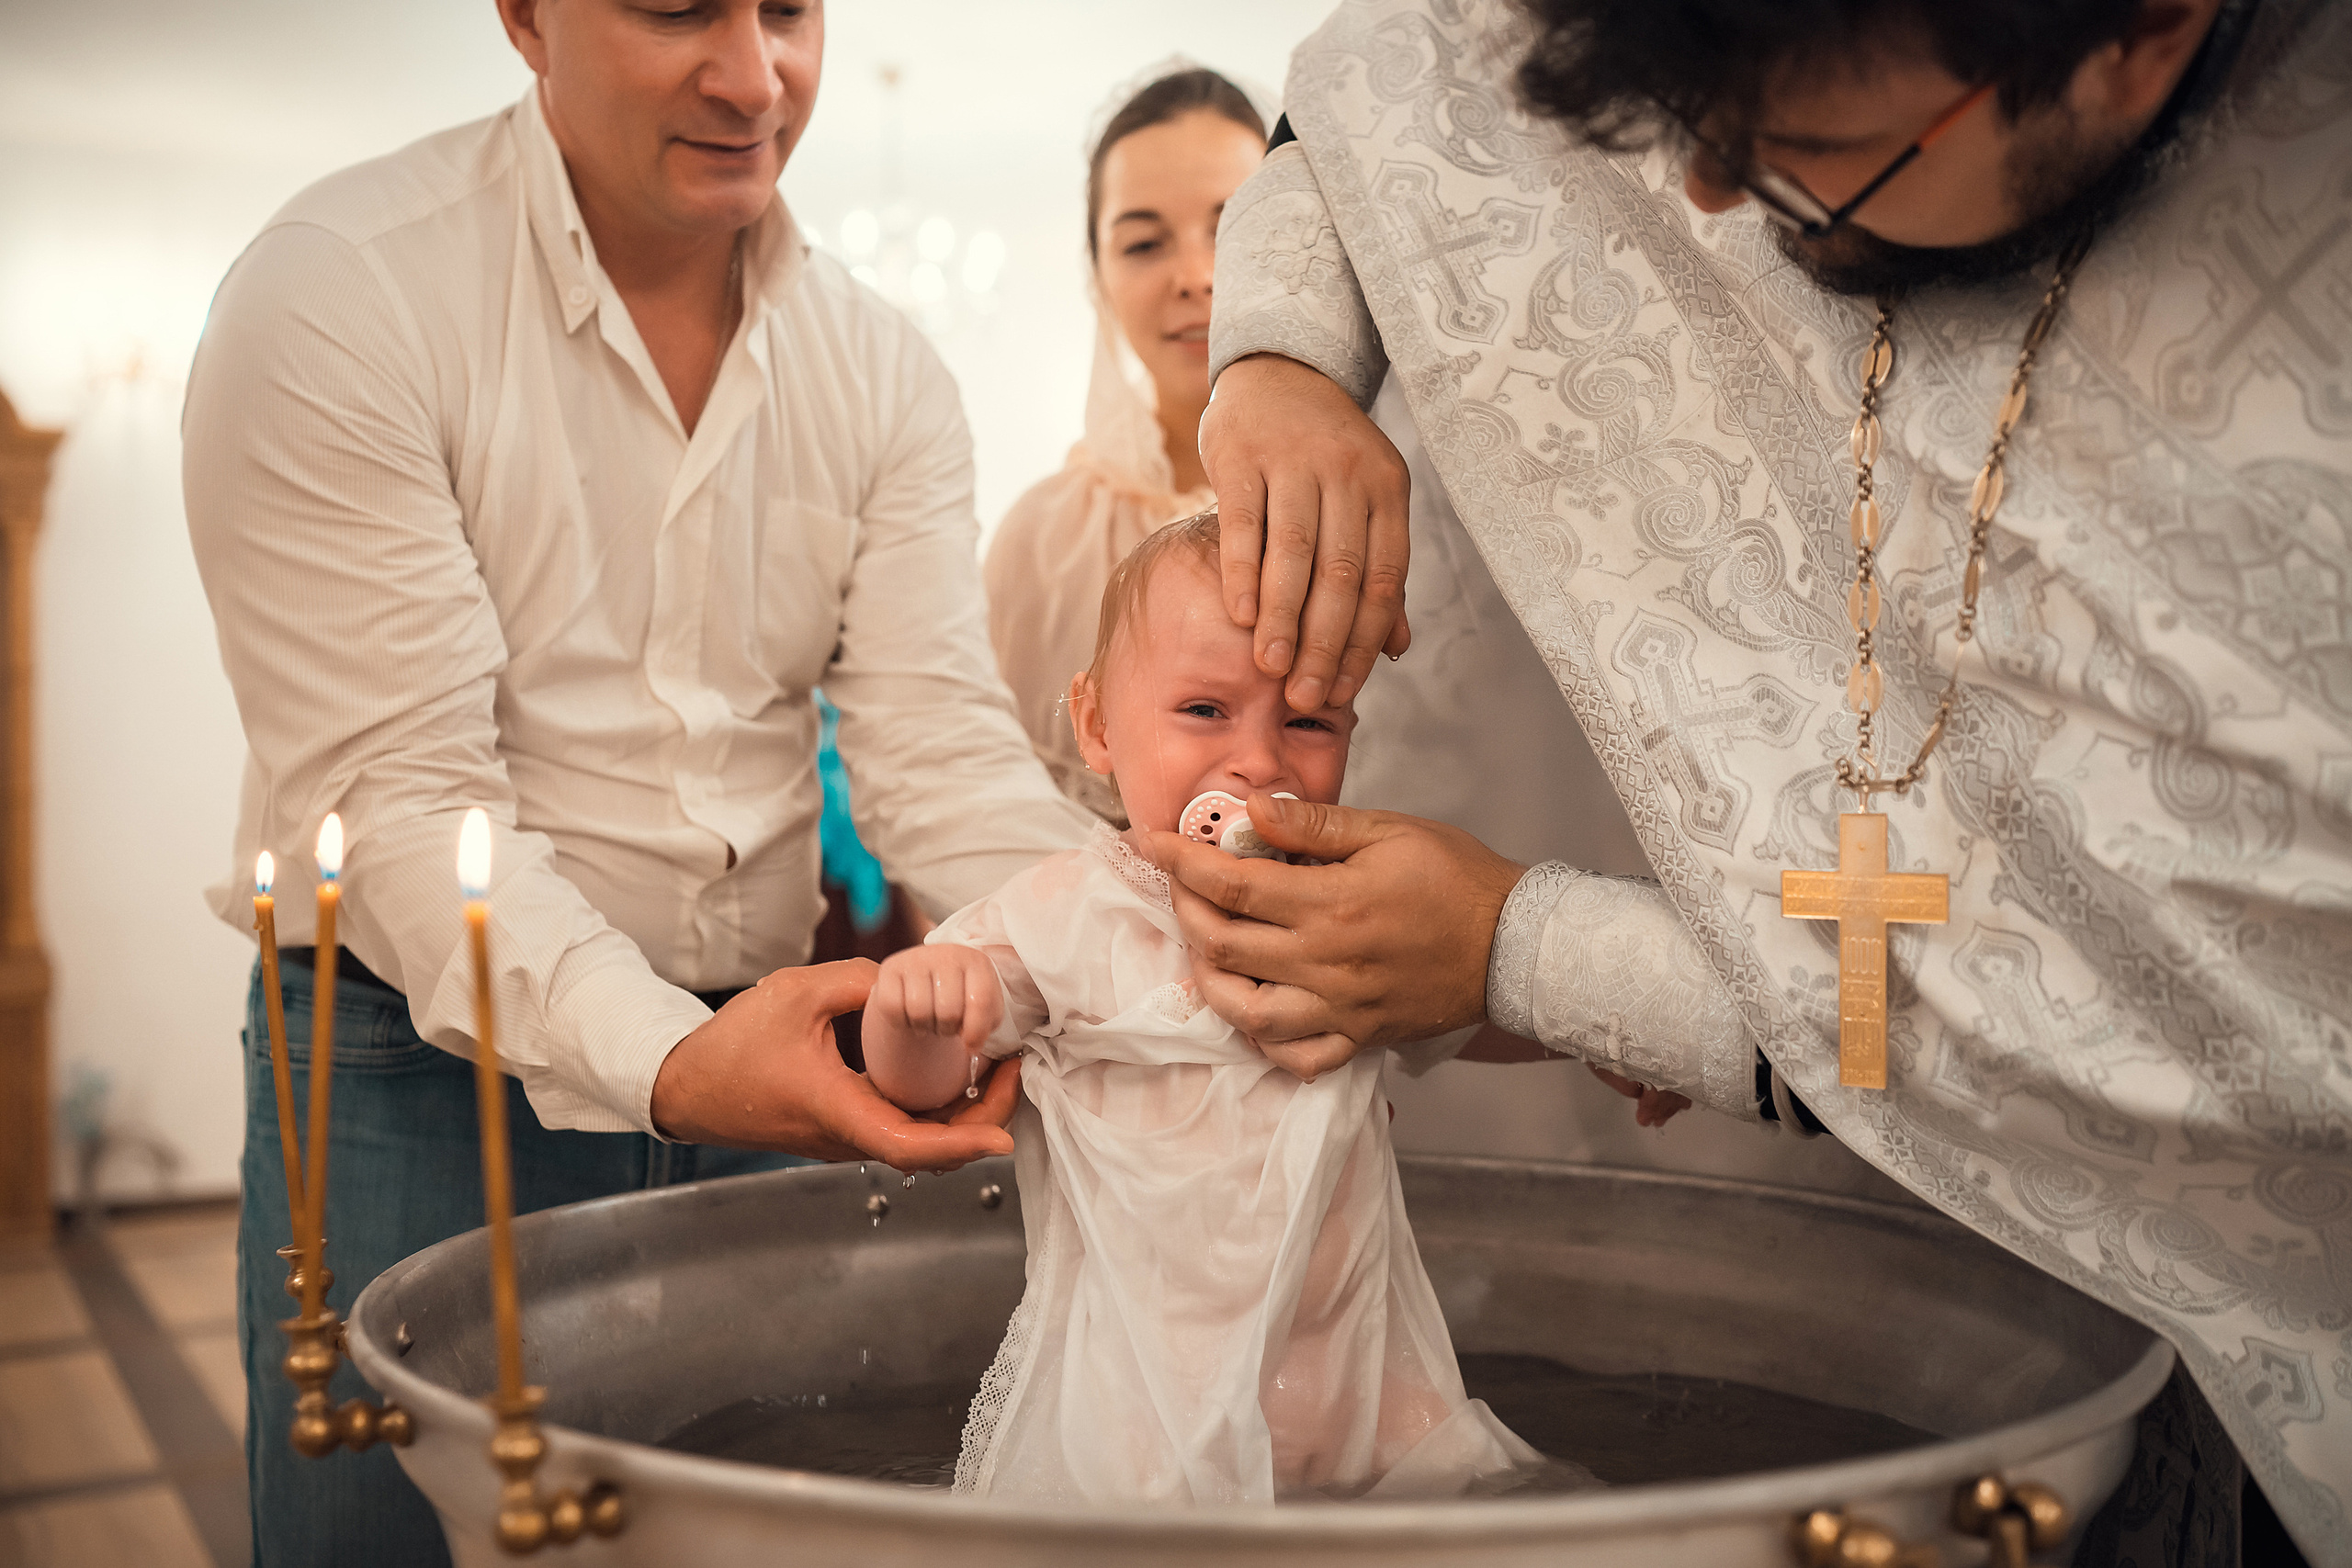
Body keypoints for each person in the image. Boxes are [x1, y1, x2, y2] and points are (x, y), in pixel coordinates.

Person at [1170, 0, 2348, 1561]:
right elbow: (1394, 92)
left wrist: (1524, 951)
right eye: (1680, 121)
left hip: (2084, 1332)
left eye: (1800, 149)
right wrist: (1280, 358)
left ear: (2136, 37)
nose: (1706, 192)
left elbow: (2184, 1050)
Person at [181, 1, 1091, 1561]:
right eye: (677, 7)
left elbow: (939, 745)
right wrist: (671, 1056)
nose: (754, 77)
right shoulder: (341, 290)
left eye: (788, 8)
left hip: (768, 1057)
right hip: (410, 1058)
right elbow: (404, 798)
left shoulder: (883, 367)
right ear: (526, 18)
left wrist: (1145, 943)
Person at [864, 513, 1556, 1504]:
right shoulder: (1064, 916)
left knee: (1510, 1512)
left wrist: (1592, 1041)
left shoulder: (1344, 909)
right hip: (1150, 1407)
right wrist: (915, 1014)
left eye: (1309, 722)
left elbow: (1457, 1006)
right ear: (1098, 726)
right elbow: (928, 1090)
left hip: (1361, 1381)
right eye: (1203, 710)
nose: (1259, 762)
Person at [983, 68, 1267, 824]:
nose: (1195, 277)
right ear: (1099, 276)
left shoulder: (1375, 506)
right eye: (1144, 243)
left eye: (1234, 229)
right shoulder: (1040, 543)